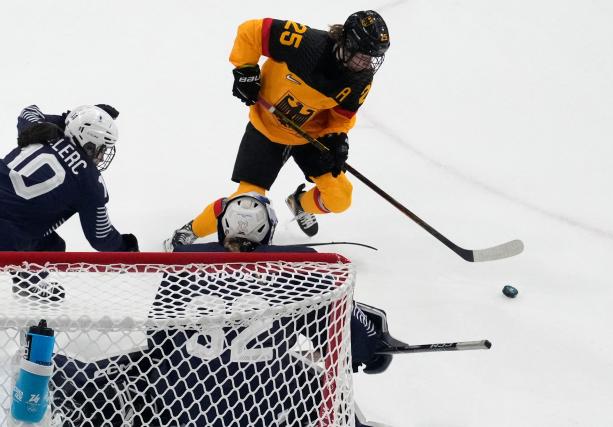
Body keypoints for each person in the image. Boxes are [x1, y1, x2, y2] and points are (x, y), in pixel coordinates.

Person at [167, 192, 403, 426]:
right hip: (260, 413)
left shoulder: (181, 263)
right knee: (319, 385)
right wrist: (373, 347)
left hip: (180, 411)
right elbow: (349, 337)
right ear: (268, 229)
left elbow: (158, 338)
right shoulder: (297, 266)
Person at [165, 10, 390, 249]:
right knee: (246, 205)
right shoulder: (306, 43)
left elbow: (341, 118)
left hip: (309, 138)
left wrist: (337, 141)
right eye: (363, 56)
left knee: (340, 198)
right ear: (347, 42)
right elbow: (251, 31)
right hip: (267, 130)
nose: (367, 64)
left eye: (373, 58)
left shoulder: (360, 79)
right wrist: (246, 71)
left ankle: (300, 203)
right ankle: (191, 230)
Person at [1, 104, 139, 302]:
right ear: (90, 145)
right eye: (101, 149)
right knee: (49, 249)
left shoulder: (45, 130)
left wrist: (69, 119)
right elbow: (100, 236)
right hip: (7, 234)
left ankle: (27, 285)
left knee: (52, 246)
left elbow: (28, 112)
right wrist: (126, 248)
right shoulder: (89, 182)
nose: (101, 156)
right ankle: (28, 286)